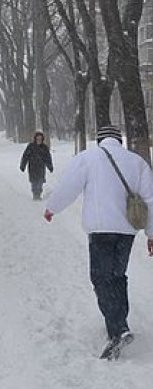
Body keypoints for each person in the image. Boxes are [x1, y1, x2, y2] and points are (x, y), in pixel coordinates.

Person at [43, 125, 153, 359]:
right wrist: (151, 234)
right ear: (118, 141)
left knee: (101, 278)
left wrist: (52, 208)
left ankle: (118, 329)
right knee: (117, 276)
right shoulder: (137, 162)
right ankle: (119, 323)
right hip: (127, 231)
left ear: (100, 140)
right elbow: (151, 200)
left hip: (101, 229)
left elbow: (68, 187)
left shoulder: (88, 158)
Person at [19, 131, 53, 199]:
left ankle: (39, 194)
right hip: (32, 168)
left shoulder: (44, 148)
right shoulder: (30, 146)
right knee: (34, 182)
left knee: (40, 182)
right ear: (35, 139)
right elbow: (25, 156)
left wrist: (50, 166)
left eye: (40, 139)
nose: (39, 140)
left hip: (41, 168)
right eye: (38, 139)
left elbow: (48, 158)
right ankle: (35, 194)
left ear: (42, 139)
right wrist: (23, 166)